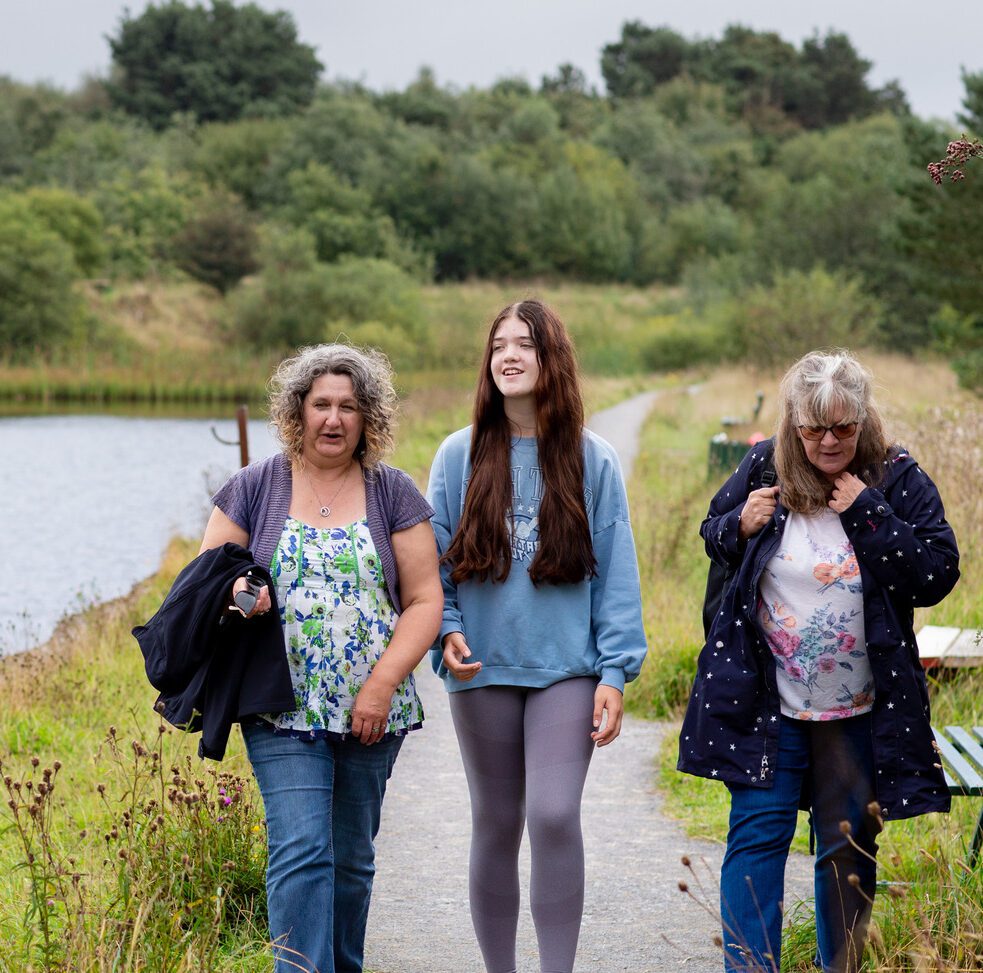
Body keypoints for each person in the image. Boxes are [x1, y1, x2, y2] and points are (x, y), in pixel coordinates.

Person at [678, 350, 960, 973]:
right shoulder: (765, 464)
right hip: (766, 701)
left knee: (846, 848)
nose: (828, 441)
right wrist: (737, 524)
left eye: (843, 428)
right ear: (792, 424)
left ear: (864, 420)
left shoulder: (895, 478)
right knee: (756, 837)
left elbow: (937, 572)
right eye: (813, 428)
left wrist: (866, 510)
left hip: (859, 707)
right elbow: (713, 532)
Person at [200, 344, 443, 973]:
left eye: (348, 407)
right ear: (297, 411)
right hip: (279, 705)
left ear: (368, 419)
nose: (333, 419)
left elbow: (423, 600)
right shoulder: (256, 486)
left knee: (350, 859)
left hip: (373, 708)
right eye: (321, 405)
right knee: (302, 849)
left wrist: (383, 684)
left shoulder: (394, 493)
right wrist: (238, 593)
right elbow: (206, 580)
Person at [427, 299, 647, 973]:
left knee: (552, 815)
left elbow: (615, 571)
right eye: (498, 345)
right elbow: (431, 561)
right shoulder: (458, 454)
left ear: (553, 358)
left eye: (524, 344)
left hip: (566, 670)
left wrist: (614, 671)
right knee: (495, 821)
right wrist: (447, 629)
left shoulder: (593, 458)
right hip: (480, 669)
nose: (509, 356)